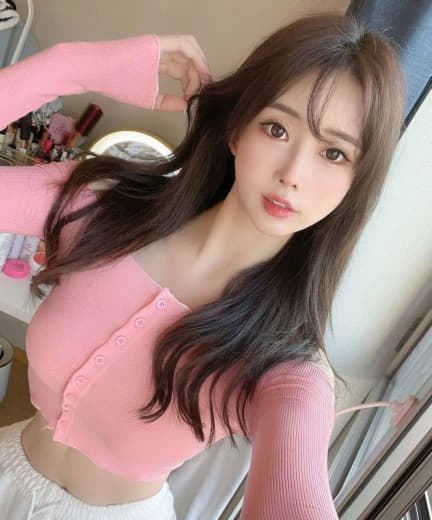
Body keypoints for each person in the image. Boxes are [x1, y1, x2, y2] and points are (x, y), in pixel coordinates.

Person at [0, 11, 405, 520]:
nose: (293, 174)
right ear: (237, 130)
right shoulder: (102, 207)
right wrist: (73, 65)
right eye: (277, 128)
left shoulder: (286, 362)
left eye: (334, 154)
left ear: (356, 183)